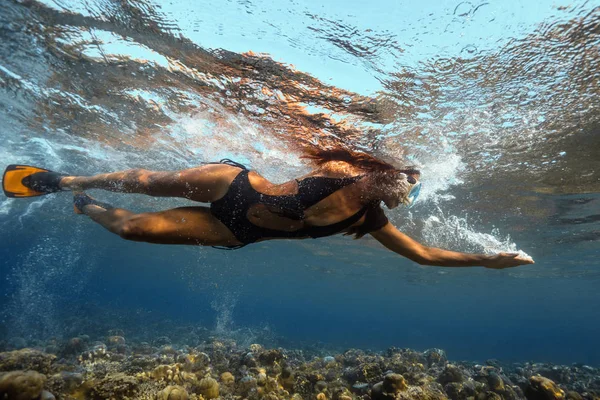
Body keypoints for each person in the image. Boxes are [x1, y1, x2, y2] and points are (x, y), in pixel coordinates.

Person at [2, 147, 533, 269]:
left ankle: (85, 202)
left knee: (132, 230)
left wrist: (487, 261)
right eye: (404, 180)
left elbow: (422, 255)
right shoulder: (347, 170)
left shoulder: (370, 220)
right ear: (383, 173)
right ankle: (67, 177)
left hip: (232, 231)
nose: (407, 192)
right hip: (233, 186)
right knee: (145, 181)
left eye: (413, 190)